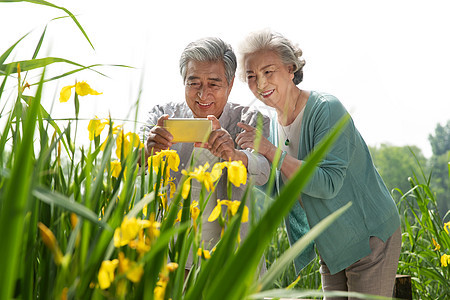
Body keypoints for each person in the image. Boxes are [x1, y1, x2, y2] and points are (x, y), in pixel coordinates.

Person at [235, 29, 401, 298]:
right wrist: (241, 161)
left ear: (291, 69)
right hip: (332, 244)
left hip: (368, 237)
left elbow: (328, 183)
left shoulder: (326, 108)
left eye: (268, 71)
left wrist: (268, 150)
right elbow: (283, 191)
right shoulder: (274, 125)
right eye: (251, 76)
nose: (260, 83)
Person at [140, 37, 270, 274]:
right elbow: (129, 162)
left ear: (230, 85)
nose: (203, 94)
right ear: (183, 82)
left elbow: (264, 170)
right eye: (194, 83)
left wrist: (235, 156)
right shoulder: (162, 116)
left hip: (231, 256)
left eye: (213, 83)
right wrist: (147, 151)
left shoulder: (250, 120)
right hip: (173, 256)